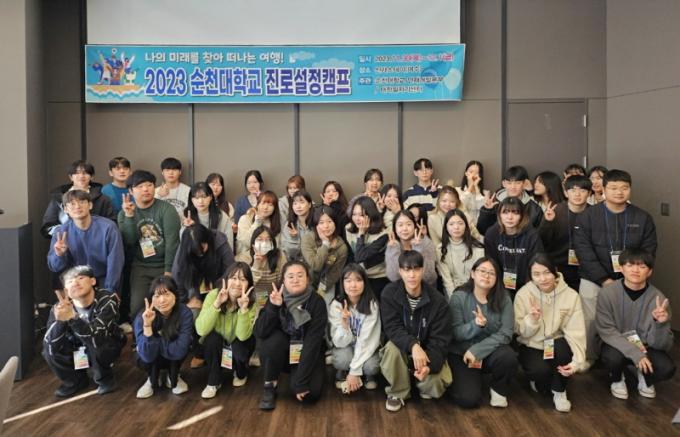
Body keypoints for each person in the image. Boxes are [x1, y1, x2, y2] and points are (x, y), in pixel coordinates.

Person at [574, 169, 657, 362]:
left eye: (624, 188)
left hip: (630, 279)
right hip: (593, 278)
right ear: (603, 189)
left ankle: (627, 358)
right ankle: (589, 358)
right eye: (613, 188)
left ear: (630, 189)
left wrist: (631, 277)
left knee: (628, 321)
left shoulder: (642, 217)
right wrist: (604, 279)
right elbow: (583, 250)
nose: (619, 192)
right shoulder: (588, 216)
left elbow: (648, 250)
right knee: (590, 320)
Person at [596, 249, 675, 400]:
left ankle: (644, 375)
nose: (635, 270)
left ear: (649, 272)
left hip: (646, 345)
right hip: (615, 343)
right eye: (630, 265)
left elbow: (662, 346)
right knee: (612, 359)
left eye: (642, 266)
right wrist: (636, 354)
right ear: (621, 268)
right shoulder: (607, 293)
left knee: (667, 369)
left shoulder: (659, 298)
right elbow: (606, 331)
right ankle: (617, 379)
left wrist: (660, 324)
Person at [380, 251, 453, 412]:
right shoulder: (389, 293)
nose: (411, 275)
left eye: (416, 269)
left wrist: (430, 366)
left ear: (423, 270)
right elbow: (392, 328)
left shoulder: (438, 301)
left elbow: (440, 341)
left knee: (433, 386)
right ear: (400, 271)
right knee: (391, 348)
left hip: (427, 353)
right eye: (407, 270)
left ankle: (419, 382)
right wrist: (413, 345)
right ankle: (398, 392)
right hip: (402, 349)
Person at [514, 254, 587, 413]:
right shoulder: (523, 294)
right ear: (531, 276)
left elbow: (576, 332)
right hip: (531, 344)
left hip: (556, 342)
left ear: (555, 271)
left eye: (547, 272)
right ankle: (540, 381)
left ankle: (560, 392)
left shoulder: (571, 295)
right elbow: (519, 332)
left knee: (562, 348)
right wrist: (532, 320)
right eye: (536, 274)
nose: (542, 279)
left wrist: (577, 362)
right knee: (541, 376)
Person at [43, 266, 126, 397]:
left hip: (106, 344)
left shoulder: (107, 300)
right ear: (66, 290)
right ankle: (75, 381)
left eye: (80, 278)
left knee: (96, 343)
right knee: (50, 350)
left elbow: (97, 337)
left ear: (93, 281)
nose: (75, 283)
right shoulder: (59, 308)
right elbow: (49, 344)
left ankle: (105, 379)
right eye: (70, 281)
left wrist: (73, 318)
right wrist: (61, 321)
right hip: (77, 347)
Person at [255, 260, 328, 410]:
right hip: (282, 352)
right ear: (283, 280)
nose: (295, 280)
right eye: (291, 276)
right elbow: (260, 331)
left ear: (307, 279)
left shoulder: (317, 302)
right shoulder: (277, 296)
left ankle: (297, 377)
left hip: (307, 351)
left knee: (310, 395)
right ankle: (270, 385)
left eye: (300, 276)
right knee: (271, 342)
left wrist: (301, 382)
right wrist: (273, 307)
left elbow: (313, 343)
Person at [448, 257, 516, 408]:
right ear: (473, 274)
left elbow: (506, 333)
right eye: (482, 271)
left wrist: (477, 350)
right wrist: (475, 325)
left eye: (492, 273)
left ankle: (498, 389)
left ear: (497, 278)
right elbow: (455, 333)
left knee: (508, 356)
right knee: (468, 400)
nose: (486, 276)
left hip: (489, 352)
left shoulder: (504, 299)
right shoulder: (458, 297)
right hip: (462, 354)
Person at [118, 170, 181, 318]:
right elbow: (129, 241)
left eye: (149, 185)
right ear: (131, 191)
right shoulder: (124, 213)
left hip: (164, 265)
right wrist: (129, 216)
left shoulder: (166, 209)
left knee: (166, 307)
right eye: (140, 186)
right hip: (141, 266)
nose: (146, 189)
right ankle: (143, 332)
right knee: (137, 309)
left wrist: (168, 271)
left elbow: (172, 242)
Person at [195, 262, 258, 398]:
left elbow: (242, 336)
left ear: (249, 284)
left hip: (239, 341)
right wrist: (217, 304)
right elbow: (201, 329)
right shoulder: (214, 295)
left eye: (243, 279)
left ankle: (241, 373)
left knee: (241, 345)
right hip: (218, 343)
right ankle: (213, 381)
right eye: (233, 278)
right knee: (211, 339)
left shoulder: (251, 301)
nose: (237, 283)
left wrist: (243, 309)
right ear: (226, 279)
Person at [47, 190, 124, 293]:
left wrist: (109, 290)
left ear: (90, 205)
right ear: (65, 209)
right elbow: (54, 267)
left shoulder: (108, 227)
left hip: (104, 279)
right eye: (72, 204)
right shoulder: (61, 232)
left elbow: (115, 261)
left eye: (82, 202)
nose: (77, 206)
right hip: (76, 281)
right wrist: (59, 255)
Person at [135, 276, 193, 398]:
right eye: (157, 296)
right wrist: (147, 325)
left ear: (175, 295)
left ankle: (174, 376)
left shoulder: (185, 313)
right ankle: (151, 378)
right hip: (152, 358)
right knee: (141, 353)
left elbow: (180, 349)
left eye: (167, 294)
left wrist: (156, 341)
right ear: (151, 299)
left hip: (174, 356)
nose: (162, 300)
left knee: (184, 346)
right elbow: (146, 355)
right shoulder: (142, 316)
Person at [329, 264, 381, 393]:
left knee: (372, 366)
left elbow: (368, 341)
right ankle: (343, 371)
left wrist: (354, 371)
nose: (353, 285)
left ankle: (365, 374)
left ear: (365, 283)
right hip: (345, 346)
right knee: (342, 360)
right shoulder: (336, 305)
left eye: (358, 280)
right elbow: (338, 342)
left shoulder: (372, 305)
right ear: (342, 283)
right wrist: (345, 325)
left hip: (366, 346)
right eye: (348, 280)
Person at [538, 175, 591, 291]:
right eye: (573, 190)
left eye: (582, 190)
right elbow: (542, 241)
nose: (577, 194)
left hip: (586, 268)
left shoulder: (594, 213)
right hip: (558, 267)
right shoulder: (555, 211)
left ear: (589, 193)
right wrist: (548, 222)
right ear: (566, 193)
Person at [484, 197, 544, 297]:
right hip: (499, 286)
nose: (510, 217)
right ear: (499, 215)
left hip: (527, 286)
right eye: (505, 212)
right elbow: (491, 263)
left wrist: (528, 289)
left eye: (515, 213)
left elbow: (536, 263)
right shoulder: (492, 234)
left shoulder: (531, 235)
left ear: (521, 216)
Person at [41, 159, 116, 239]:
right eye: (77, 173)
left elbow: (112, 223)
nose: (81, 176)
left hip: (96, 242)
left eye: (85, 173)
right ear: (71, 177)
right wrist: (65, 233)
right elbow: (48, 226)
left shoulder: (103, 199)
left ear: (92, 177)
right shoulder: (58, 198)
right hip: (66, 242)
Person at [301, 205, 349, 309]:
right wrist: (325, 244)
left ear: (335, 223)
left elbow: (333, 275)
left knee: (321, 308)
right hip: (305, 282)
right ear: (316, 225)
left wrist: (319, 294)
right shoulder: (308, 238)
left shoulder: (341, 247)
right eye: (321, 222)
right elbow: (315, 265)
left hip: (326, 285)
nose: (326, 226)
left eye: (329, 221)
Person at [345, 196, 389, 300]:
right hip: (358, 276)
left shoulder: (383, 234)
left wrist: (361, 234)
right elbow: (351, 256)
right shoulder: (348, 228)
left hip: (378, 278)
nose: (356, 218)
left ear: (371, 215)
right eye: (354, 214)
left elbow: (360, 257)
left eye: (361, 215)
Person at [476, 165, 542, 235]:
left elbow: (539, 235)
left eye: (517, 183)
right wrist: (487, 211)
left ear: (524, 184)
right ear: (504, 184)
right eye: (509, 183)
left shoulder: (534, 208)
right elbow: (482, 231)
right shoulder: (494, 203)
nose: (513, 187)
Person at [235, 225, 287, 310]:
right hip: (253, 298)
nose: (264, 243)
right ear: (253, 243)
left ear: (272, 243)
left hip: (276, 296)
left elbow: (284, 280)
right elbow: (248, 285)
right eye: (260, 239)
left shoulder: (279, 256)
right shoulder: (245, 258)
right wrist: (256, 266)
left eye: (268, 239)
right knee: (261, 311)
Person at [436, 209, 485, 297]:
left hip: (475, 291)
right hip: (452, 292)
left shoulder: (477, 247)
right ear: (446, 227)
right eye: (451, 224)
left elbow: (480, 276)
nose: (456, 227)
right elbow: (447, 281)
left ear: (466, 226)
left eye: (460, 223)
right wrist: (455, 299)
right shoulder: (441, 249)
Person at [385, 210, 437, 286]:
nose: (404, 229)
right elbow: (394, 277)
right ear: (395, 228)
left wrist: (418, 250)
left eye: (409, 224)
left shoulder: (426, 243)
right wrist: (393, 250)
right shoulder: (393, 245)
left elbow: (428, 277)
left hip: (426, 287)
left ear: (415, 226)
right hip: (402, 288)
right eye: (400, 225)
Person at [182, 182, 234, 250]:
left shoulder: (221, 216)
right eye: (196, 198)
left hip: (217, 254)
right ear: (191, 199)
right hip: (194, 254)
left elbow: (229, 245)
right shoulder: (187, 215)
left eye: (204, 197)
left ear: (211, 197)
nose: (200, 201)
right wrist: (188, 228)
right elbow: (183, 244)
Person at [236, 190, 281, 256]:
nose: (265, 207)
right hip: (247, 257)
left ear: (275, 208)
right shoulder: (245, 219)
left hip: (269, 257)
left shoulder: (275, 222)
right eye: (263, 203)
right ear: (257, 205)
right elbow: (246, 243)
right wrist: (257, 222)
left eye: (270, 205)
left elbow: (276, 246)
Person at [281, 189, 313, 261]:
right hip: (294, 263)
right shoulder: (289, 224)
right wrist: (294, 238)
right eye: (295, 203)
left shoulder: (316, 223)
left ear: (309, 204)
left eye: (302, 202)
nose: (298, 206)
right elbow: (288, 253)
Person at [456, 160, 489, 224]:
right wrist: (470, 186)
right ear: (466, 173)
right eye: (471, 172)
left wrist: (476, 188)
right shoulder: (457, 190)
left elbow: (483, 210)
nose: (473, 175)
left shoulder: (486, 193)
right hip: (462, 225)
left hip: (479, 226)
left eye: (477, 173)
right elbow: (460, 207)